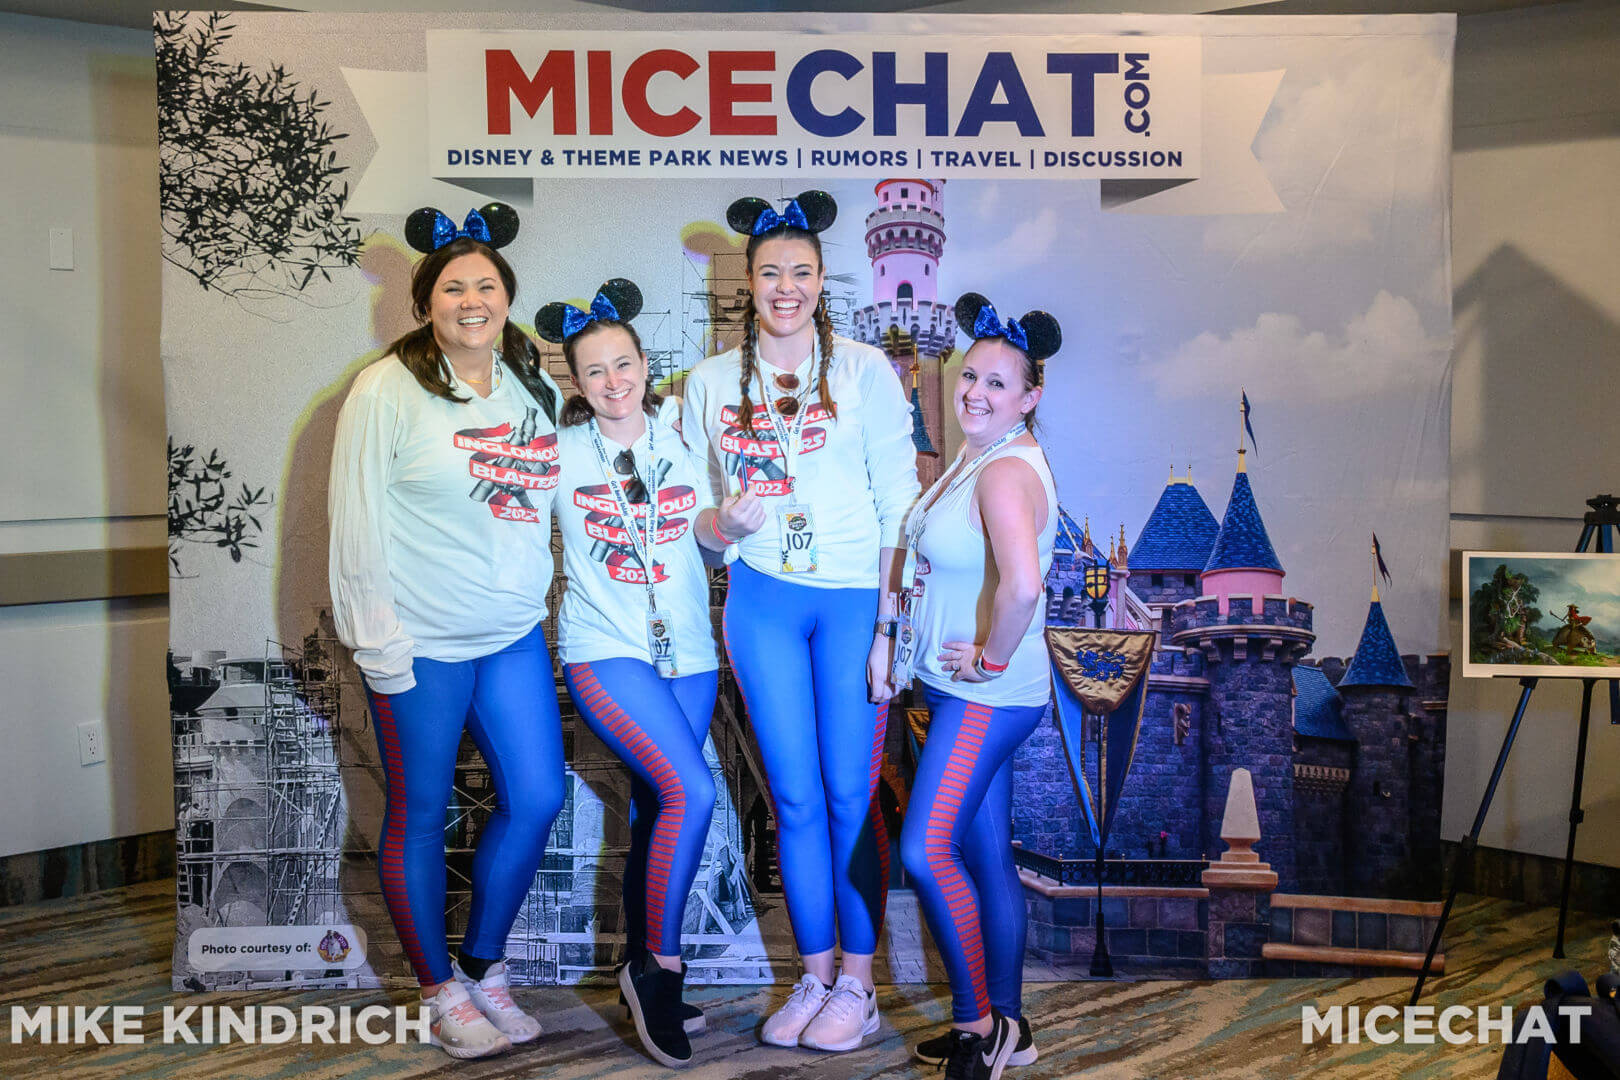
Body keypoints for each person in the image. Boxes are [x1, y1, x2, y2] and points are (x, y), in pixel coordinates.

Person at [681, 190, 920, 1053]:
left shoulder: (864, 371)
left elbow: (900, 504)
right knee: (791, 797)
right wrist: (721, 524)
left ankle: (860, 983)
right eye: (771, 272)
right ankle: (814, 975)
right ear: (748, 282)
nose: (787, 287)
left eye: (802, 271)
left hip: (853, 600)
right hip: (763, 602)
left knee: (850, 793)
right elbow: (693, 525)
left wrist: (889, 627)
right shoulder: (708, 384)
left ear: (822, 280)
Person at [328, 203, 564, 1059]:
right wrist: (377, 643)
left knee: (537, 797)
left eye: (487, 286)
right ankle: (438, 990)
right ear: (425, 301)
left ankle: (482, 968)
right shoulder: (384, 389)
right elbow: (353, 523)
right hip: (420, 641)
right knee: (422, 814)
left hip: (510, 636)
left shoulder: (529, 384)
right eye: (454, 288)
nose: (473, 301)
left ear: (507, 297)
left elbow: (538, 509)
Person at [537, 279, 730, 1069]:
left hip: (689, 652)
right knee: (694, 792)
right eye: (595, 370)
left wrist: (729, 524)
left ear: (646, 365)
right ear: (576, 383)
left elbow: (708, 540)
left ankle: (639, 963)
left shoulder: (685, 433)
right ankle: (659, 970)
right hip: (604, 647)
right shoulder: (559, 453)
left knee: (658, 808)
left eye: (623, 364)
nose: (613, 381)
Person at [895, 293, 1063, 1080]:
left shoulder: (1002, 471)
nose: (975, 392)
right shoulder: (983, 455)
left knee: (926, 850)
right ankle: (1013, 1026)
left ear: (1029, 397)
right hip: (969, 692)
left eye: (998, 383)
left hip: (985, 697)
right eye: (970, 376)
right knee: (988, 857)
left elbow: (1023, 589)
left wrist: (990, 661)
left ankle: (976, 1027)